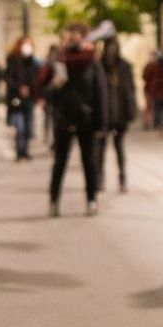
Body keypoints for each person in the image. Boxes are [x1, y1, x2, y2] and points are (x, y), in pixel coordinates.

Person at [47, 23, 109, 217]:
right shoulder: (59, 62)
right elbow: (46, 94)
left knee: (89, 163)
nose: (71, 40)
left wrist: (101, 124)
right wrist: (54, 86)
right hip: (64, 119)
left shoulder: (93, 62)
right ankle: (54, 200)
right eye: (69, 36)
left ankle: (91, 200)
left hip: (86, 120)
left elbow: (100, 94)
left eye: (75, 36)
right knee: (60, 162)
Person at [101, 37, 137, 192]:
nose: (111, 50)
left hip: (120, 114)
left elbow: (130, 90)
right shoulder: (100, 66)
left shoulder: (124, 67)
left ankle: (122, 177)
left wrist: (130, 112)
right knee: (100, 149)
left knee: (119, 148)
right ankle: (99, 178)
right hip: (104, 114)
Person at [5, 36, 40, 161]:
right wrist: (19, 88)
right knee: (20, 126)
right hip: (16, 99)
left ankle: (25, 150)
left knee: (28, 127)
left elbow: (36, 78)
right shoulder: (12, 60)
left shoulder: (32, 62)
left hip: (29, 99)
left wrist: (31, 90)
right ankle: (19, 151)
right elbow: (9, 79)